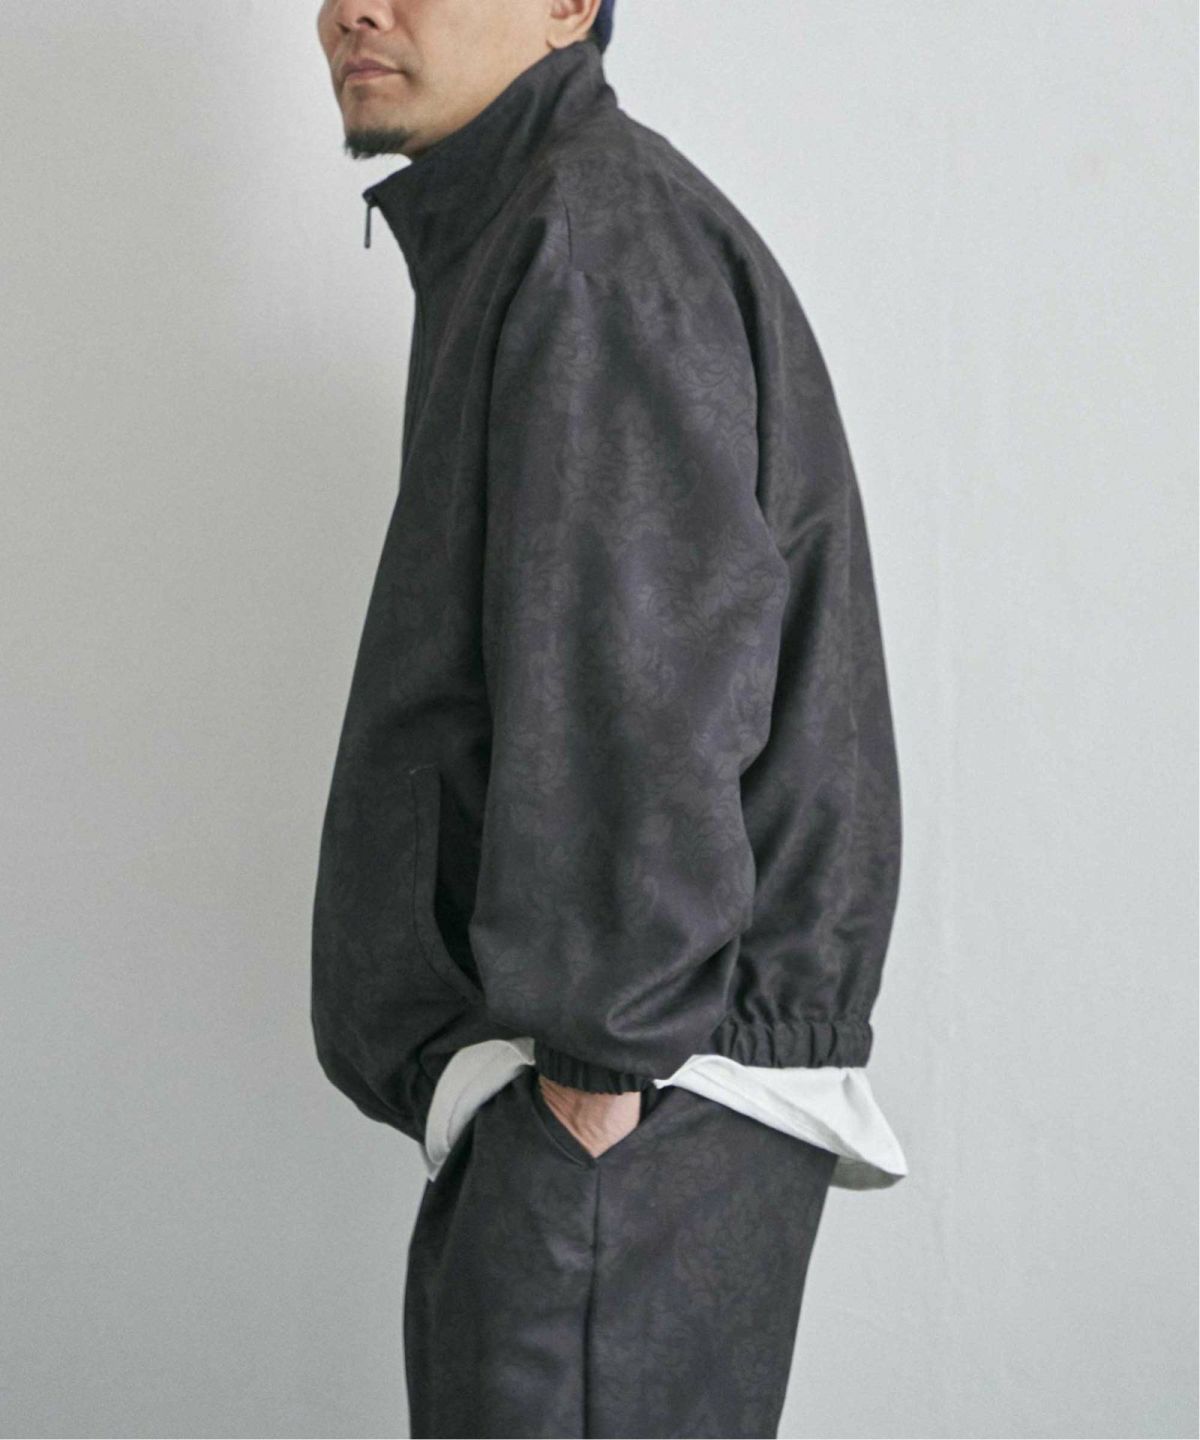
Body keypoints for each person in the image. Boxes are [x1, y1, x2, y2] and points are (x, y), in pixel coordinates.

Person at [312, 2, 907, 1435]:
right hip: (615, 1100)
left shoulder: (588, 238)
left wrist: (591, 1076)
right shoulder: (543, 224)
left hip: (621, 1109)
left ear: (570, 4)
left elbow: (637, 680)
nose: (352, 8)